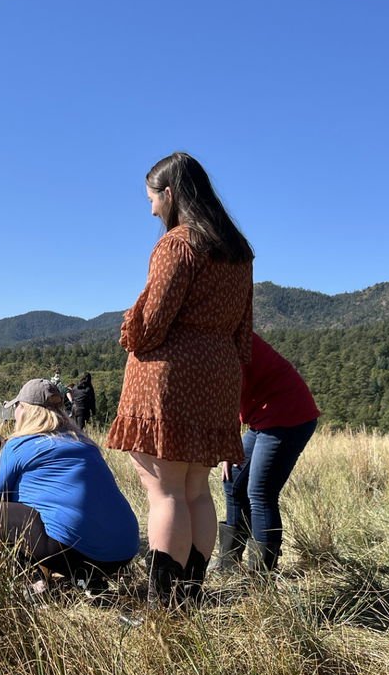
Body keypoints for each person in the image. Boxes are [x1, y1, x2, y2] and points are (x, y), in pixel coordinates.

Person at [105, 152, 253, 606]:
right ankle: (187, 599)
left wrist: (130, 322)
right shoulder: (237, 251)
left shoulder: (178, 244)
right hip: (218, 377)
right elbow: (243, 332)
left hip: (170, 378)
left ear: (169, 194)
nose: (151, 209)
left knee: (164, 491)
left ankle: (162, 609)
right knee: (195, 490)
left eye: (152, 199)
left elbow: (150, 324)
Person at [0, 378, 139, 595]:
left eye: (17, 406)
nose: (15, 413)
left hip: (71, 551)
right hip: (123, 551)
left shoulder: (18, 446)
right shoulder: (84, 443)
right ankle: (87, 578)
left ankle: (34, 579)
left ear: (26, 410)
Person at [217, 333, 319, 575]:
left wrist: (228, 444)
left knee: (260, 492)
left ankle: (261, 577)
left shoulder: (227, 338)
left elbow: (229, 393)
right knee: (232, 482)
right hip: (262, 420)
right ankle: (228, 564)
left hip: (288, 416)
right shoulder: (218, 335)